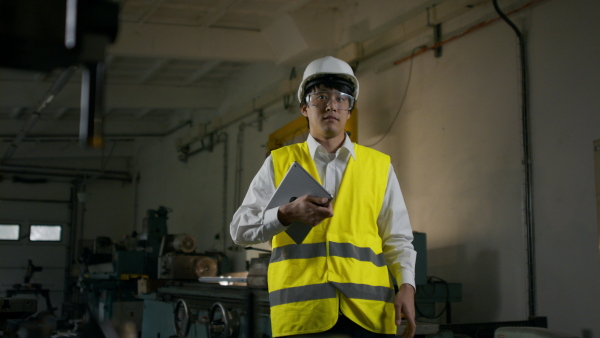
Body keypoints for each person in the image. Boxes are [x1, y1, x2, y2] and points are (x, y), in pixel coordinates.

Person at [230, 56, 417, 338]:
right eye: (320, 97)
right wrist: (284, 215)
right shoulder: (278, 163)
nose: (331, 105)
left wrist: (407, 286)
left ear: (350, 108)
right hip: (302, 317)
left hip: (368, 314)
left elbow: (398, 237)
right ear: (304, 108)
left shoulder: (379, 166)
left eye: (341, 98)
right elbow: (240, 230)